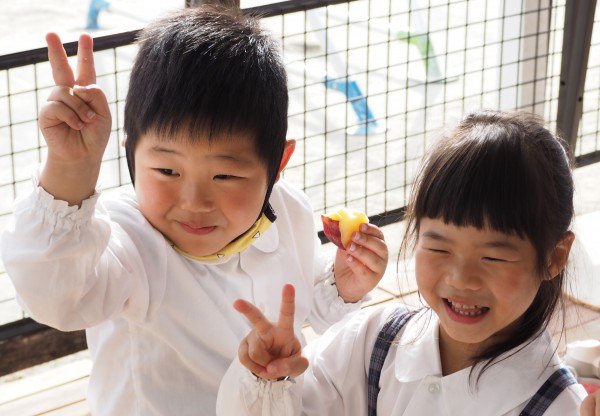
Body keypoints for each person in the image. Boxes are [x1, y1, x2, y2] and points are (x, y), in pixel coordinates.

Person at [0, 5, 389, 415]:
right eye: (167, 170)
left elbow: (303, 298)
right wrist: (70, 169)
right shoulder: (127, 235)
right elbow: (58, 296)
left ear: (277, 165)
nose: (194, 202)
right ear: (131, 154)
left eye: (225, 176)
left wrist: (341, 285)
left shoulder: (288, 209)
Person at [217, 110, 592, 415]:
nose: (461, 278)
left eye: (493, 256)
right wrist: (269, 382)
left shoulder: (562, 407)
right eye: (440, 248)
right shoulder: (373, 340)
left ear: (553, 257)